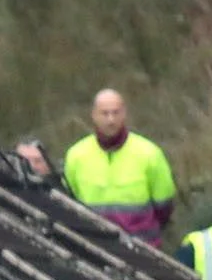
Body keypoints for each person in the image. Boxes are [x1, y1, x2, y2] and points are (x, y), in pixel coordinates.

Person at [53, 89, 175, 242]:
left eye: (116, 113)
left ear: (124, 114)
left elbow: (164, 208)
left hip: (143, 251)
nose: (111, 120)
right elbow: (69, 203)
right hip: (94, 247)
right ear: (93, 115)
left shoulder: (149, 154)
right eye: (104, 113)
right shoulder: (76, 156)